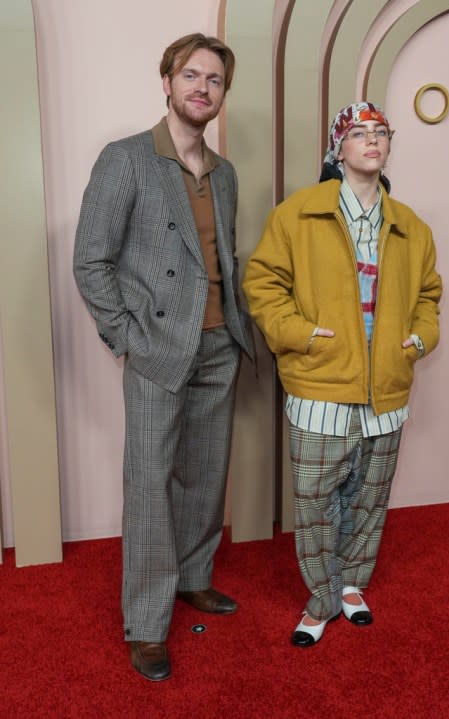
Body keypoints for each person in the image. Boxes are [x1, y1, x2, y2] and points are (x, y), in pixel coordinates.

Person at [73, 33, 254, 680]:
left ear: (221, 95)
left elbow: (223, 259)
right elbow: (91, 260)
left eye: (214, 80)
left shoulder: (224, 171)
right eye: (191, 75)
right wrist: (125, 337)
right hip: (155, 347)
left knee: (205, 477)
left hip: (217, 345)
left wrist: (237, 328)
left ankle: (193, 577)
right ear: (167, 82)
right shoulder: (126, 159)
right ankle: (147, 624)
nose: (202, 87)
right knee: (150, 487)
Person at [243, 102, 442, 647]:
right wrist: (302, 335)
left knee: (369, 498)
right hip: (320, 387)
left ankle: (352, 585)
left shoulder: (410, 226)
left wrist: (419, 339)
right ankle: (320, 597)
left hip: (388, 393)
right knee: (315, 503)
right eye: (359, 133)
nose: (372, 141)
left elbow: (429, 294)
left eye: (381, 133)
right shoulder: (297, 214)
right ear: (338, 148)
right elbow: (262, 285)